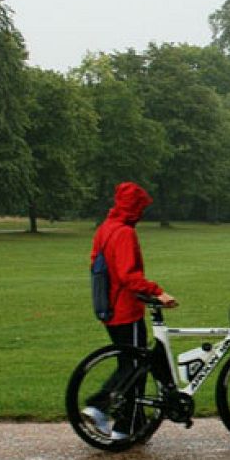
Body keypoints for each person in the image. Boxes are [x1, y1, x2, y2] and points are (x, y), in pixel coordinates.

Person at [82, 181, 176, 438]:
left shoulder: (105, 228)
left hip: (108, 307)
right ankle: (106, 412)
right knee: (135, 368)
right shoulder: (124, 233)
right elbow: (128, 276)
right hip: (125, 308)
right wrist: (157, 292)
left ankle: (134, 424)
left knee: (130, 364)